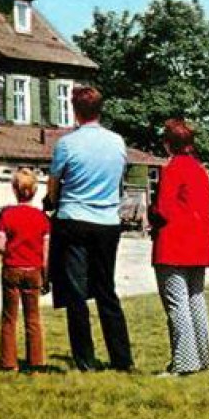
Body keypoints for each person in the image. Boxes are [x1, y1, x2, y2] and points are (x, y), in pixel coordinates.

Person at [47, 85, 133, 372]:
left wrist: (50, 201)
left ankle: (85, 359)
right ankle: (122, 358)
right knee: (106, 290)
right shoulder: (117, 142)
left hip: (74, 219)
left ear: (75, 110)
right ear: (100, 109)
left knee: (76, 294)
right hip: (107, 222)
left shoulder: (67, 144)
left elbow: (54, 185)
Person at [150, 118, 209, 377]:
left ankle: (184, 362)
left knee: (177, 304)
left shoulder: (173, 168)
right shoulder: (201, 170)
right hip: (199, 245)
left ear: (169, 144)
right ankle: (202, 357)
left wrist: (151, 213)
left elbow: (163, 209)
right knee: (196, 300)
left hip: (174, 245)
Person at [0, 166, 51, 372]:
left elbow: (0, 245)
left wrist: (9, 253)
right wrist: (46, 277)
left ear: (14, 190)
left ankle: (9, 362)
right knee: (33, 317)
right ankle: (37, 362)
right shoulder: (43, 218)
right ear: (35, 191)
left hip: (12, 269)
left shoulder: (6, 214)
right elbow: (46, 253)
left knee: (9, 318)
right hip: (34, 270)